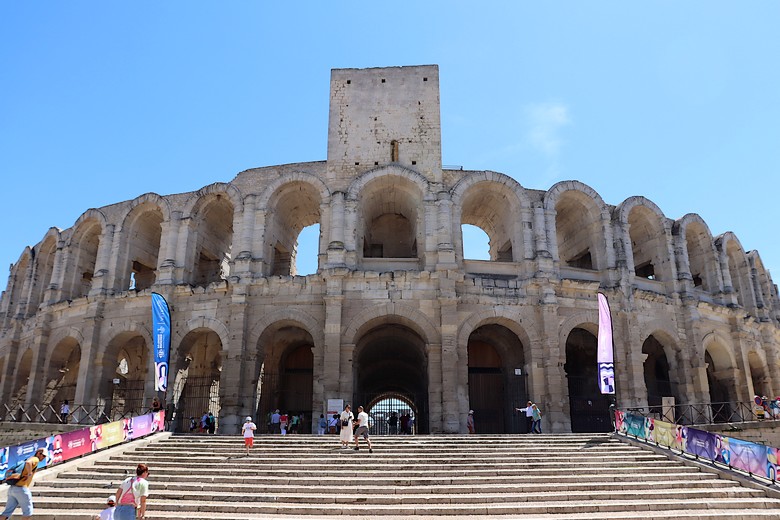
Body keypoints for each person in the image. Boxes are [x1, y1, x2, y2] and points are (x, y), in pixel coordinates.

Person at [0, 447, 47, 520]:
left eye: (45, 456)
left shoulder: (29, 458)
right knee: (28, 513)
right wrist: (29, 473)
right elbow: (28, 462)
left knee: (6, 513)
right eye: (43, 455)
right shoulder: (35, 459)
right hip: (22, 489)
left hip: (12, 489)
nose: (44, 458)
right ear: (38, 453)